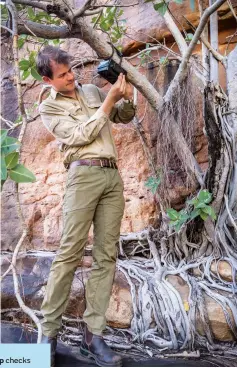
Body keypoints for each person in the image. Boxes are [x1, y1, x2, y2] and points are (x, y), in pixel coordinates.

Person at [36, 46, 136, 367]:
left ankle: (93, 336)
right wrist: (107, 102)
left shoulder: (91, 90)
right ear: (47, 78)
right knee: (69, 254)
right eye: (62, 75)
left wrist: (126, 94)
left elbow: (124, 116)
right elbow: (80, 135)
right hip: (82, 175)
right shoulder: (48, 109)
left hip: (111, 176)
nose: (71, 78)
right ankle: (46, 338)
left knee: (107, 255)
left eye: (71, 71)